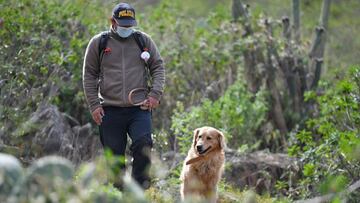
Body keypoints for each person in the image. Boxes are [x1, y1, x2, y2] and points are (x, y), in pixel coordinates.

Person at [82, 2, 165, 189]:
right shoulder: (99, 43)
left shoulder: (143, 41)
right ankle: (119, 194)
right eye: (123, 25)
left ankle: (139, 191)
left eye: (130, 25)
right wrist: (94, 105)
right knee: (115, 158)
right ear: (113, 21)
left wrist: (155, 94)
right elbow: (89, 75)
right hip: (109, 110)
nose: (127, 29)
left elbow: (158, 67)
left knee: (143, 144)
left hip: (139, 108)